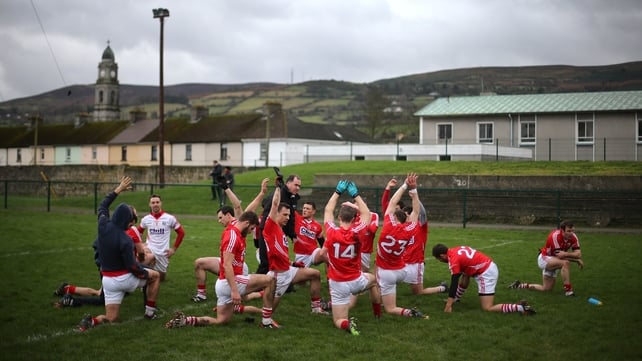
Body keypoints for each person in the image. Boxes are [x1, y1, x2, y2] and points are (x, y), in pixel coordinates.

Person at [164, 211, 281, 329]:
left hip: (223, 284)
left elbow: (245, 212)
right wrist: (235, 291)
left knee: (221, 321)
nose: (251, 232)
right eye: (251, 228)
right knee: (270, 280)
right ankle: (267, 322)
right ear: (246, 223)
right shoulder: (233, 236)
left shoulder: (235, 228)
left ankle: (186, 321)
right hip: (231, 281)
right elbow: (227, 265)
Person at [77, 176, 161, 331]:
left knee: (112, 319)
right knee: (155, 277)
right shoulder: (126, 240)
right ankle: (150, 312)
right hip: (123, 279)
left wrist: (119, 189)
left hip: (107, 281)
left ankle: (92, 321)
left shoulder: (103, 225)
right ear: (127, 221)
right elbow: (132, 267)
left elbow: (103, 205)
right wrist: (144, 273)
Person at [192, 178, 269, 303]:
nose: (219, 220)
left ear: (229, 215)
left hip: (238, 266)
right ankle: (201, 295)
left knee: (243, 298)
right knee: (199, 263)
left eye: (221, 217)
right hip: (228, 261)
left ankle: (260, 293)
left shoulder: (238, 222)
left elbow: (238, 205)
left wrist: (226, 188)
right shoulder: (232, 227)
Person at [321, 179, 382, 336]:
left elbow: (328, 210)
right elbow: (367, 214)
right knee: (373, 280)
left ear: (339, 218)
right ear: (355, 218)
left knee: (338, 320)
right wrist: (356, 194)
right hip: (356, 280)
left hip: (337, 284)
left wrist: (337, 192)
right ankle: (377, 314)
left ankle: (348, 324)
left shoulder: (332, 233)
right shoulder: (358, 231)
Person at [262, 177, 327, 315]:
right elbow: (274, 205)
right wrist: (279, 188)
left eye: (288, 215)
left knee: (315, 274)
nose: (287, 217)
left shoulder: (281, 229)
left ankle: (316, 308)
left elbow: (282, 254)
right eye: (284, 215)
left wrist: (293, 263)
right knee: (268, 311)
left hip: (288, 270)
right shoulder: (271, 227)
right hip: (278, 275)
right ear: (276, 215)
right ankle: (250, 310)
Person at [375, 173, 427, 318]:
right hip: (401, 270)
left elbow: (392, 203)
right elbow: (416, 211)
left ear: (395, 218)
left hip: (386, 272)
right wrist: (414, 190)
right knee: (386, 296)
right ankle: (412, 313)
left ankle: (376, 310)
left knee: (374, 287)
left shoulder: (387, 226)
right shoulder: (409, 230)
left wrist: (404, 185)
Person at [432, 243, 536, 315]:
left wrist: (448, 305)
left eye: (438, 259)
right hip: (488, 266)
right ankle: (456, 298)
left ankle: (521, 308)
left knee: (487, 308)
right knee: (465, 274)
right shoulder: (455, 250)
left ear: (442, 256)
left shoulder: (453, 260)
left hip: (486, 274)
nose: (439, 261)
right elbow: (465, 273)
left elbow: (454, 283)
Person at [508, 220, 583, 296]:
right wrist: (575, 259)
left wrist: (574, 257)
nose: (571, 233)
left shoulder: (573, 237)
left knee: (546, 289)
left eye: (573, 231)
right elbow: (561, 256)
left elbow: (578, 254)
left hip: (554, 260)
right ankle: (568, 291)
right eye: (568, 231)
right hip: (545, 258)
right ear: (562, 230)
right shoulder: (555, 236)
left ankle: (519, 285)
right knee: (565, 263)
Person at [256, 171, 301, 274]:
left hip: (280, 231)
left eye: (299, 186)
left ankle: (285, 284)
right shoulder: (280, 193)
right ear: (288, 183)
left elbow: (291, 217)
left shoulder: (292, 197)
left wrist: (292, 234)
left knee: (281, 258)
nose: (298, 188)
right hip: (268, 230)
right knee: (266, 261)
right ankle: (257, 284)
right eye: (296, 185)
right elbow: (266, 204)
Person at [137, 194, 185, 281]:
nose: (155, 204)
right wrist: (141, 245)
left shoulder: (170, 218)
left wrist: (173, 249)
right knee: (143, 267)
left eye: (157, 202)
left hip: (163, 252)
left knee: (160, 278)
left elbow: (181, 233)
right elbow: (137, 232)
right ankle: (140, 281)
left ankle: (150, 274)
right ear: (150, 204)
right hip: (150, 249)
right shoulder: (146, 219)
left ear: (161, 203)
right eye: (153, 202)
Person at [292, 201, 326, 267]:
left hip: (313, 252)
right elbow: (289, 208)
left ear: (313, 211)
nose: (304, 210)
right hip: (301, 255)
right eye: (304, 208)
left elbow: (322, 242)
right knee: (305, 276)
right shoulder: (297, 218)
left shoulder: (317, 226)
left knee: (326, 255)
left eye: (307, 209)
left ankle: (330, 277)